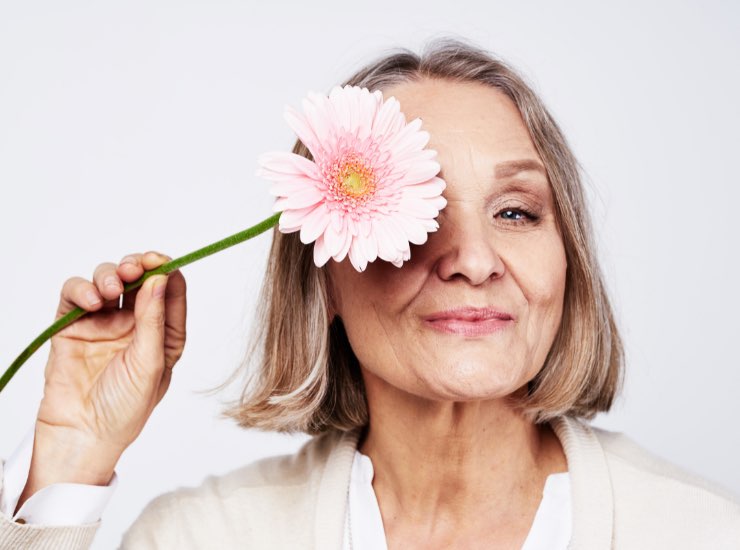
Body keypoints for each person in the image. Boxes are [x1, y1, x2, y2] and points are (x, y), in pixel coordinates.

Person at [1, 38, 739, 550]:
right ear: (321, 277)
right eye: (420, 218)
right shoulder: (203, 537)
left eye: (515, 212)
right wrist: (69, 464)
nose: (475, 260)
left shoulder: (701, 534)